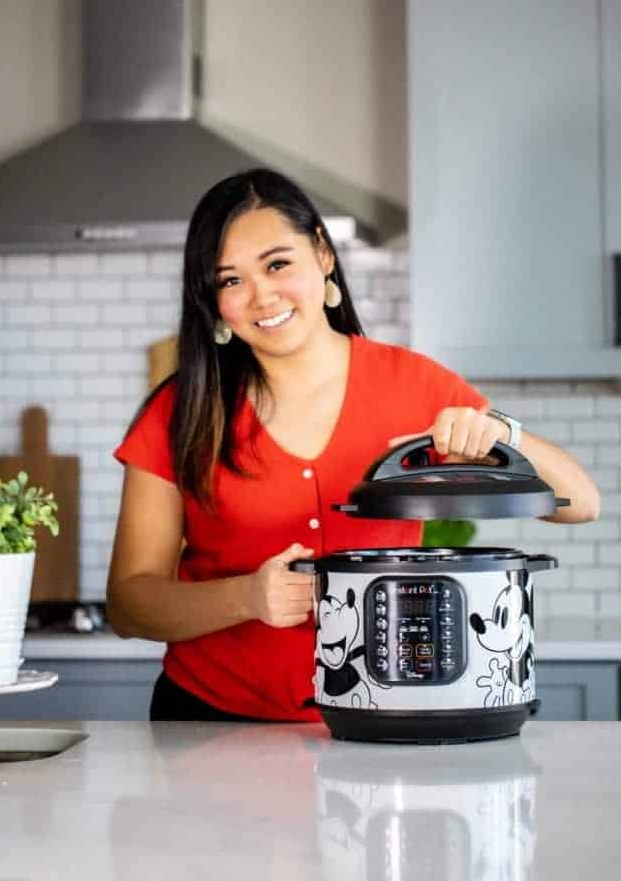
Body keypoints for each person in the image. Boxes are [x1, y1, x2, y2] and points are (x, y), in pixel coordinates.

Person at [107, 168, 600, 723]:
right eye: (230, 280)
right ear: (211, 299)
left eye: (277, 264)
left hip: (384, 720)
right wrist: (245, 598)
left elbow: (581, 502)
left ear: (321, 253)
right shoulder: (180, 411)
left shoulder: (416, 387)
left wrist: (499, 435)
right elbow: (129, 603)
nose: (261, 295)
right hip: (207, 723)